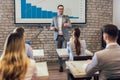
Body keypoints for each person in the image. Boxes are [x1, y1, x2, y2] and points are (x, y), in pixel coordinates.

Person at [50, 5, 72, 72]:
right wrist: (52, 28)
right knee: (59, 53)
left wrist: (67, 24)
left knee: (67, 52)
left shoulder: (66, 17)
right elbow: (51, 26)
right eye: (60, 9)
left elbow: (71, 25)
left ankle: (68, 66)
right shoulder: (54, 18)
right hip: (57, 37)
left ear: (63, 10)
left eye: (62, 9)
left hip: (65, 37)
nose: (61, 10)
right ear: (57, 10)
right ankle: (61, 66)